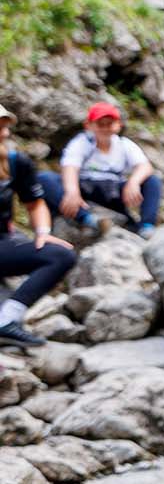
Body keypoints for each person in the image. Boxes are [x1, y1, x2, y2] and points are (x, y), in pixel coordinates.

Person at [0, 104, 76, 348]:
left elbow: (35, 204)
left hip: (3, 243)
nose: (4, 133)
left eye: (4, 127)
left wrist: (43, 232)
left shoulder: (15, 163)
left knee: (61, 255)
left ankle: (6, 320)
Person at [39, 101, 162, 239]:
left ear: (118, 125)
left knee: (152, 181)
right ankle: (87, 219)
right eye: (100, 124)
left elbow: (145, 166)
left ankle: (146, 226)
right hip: (85, 188)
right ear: (89, 125)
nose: (105, 128)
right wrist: (72, 192)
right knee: (44, 178)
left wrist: (133, 182)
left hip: (113, 192)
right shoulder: (82, 142)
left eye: (109, 123)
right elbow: (70, 167)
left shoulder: (124, 144)